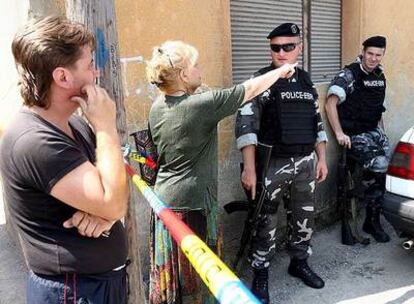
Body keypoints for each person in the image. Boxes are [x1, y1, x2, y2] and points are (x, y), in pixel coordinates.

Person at [145, 40, 296, 304]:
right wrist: (280, 71)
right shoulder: (201, 106)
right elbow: (248, 89)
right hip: (192, 207)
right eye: (195, 66)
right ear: (182, 74)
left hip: (165, 201)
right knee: (198, 279)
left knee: (177, 285)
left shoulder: (160, 105)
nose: (200, 70)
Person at [0, 16, 129, 304]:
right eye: (89, 64)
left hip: (95, 285)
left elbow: (114, 184)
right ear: (62, 77)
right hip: (72, 292)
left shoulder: (77, 125)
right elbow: (115, 199)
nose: (96, 72)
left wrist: (105, 215)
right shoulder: (34, 140)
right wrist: (107, 126)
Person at [235, 23, 328, 303]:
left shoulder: (305, 80)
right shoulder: (259, 79)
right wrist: (249, 169)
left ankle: (299, 261)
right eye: (276, 47)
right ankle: (260, 271)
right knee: (265, 220)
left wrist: (322, 158)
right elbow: (246, 127)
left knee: (304, 216)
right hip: (271, 163)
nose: (282, 52)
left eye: (288, 46)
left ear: (299, 47)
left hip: (305, 161)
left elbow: (316, 121)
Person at [325, 36, 391, 243]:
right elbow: (330, 104)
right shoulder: (349, 74)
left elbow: (377, 109)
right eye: (369, 53)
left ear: (382, 55)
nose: (373, 58)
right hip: (354, 135)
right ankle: (370, 222)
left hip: (373, 131)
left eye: (377, 55)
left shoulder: (379, 76)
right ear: (362, 52)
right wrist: (339, 133)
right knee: (379, 164)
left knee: (391, 164)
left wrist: (382, 134)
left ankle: (372, 219)